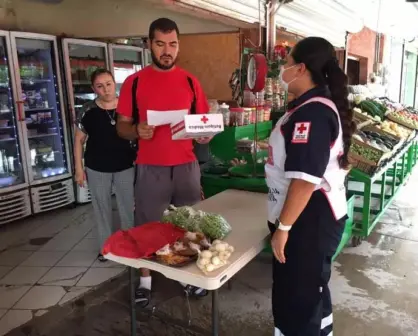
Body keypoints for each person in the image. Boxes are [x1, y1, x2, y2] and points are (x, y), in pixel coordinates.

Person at [116, 18, 211, 306]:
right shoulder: (134, 83)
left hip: (186, 166)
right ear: (149, 44)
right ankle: (145, 281)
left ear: (178, 45)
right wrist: (136, 131)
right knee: (147, 226)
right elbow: (122, 127)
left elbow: (202, 124)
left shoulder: (190, 81)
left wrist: (205, 136)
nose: (167, 51)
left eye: (172, 44)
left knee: (190, 225)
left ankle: (187, 277)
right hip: (150, 167)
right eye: (160, 44)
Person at [265, 36, 355, 336]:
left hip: (309, 220)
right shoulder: (311, 105)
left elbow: (305, 180)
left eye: (287, 63)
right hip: (314, 217)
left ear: (301, 68)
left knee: (298, 300)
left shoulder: (312, 114)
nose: (282, 69)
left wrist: (283, 229)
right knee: (312, 290)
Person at [74, 69, 136, 262]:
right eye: (100, 86)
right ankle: (106, 248)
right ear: (94, 89)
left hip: (125, 164)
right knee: (102, 209)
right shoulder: (87, 110)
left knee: (127, 207)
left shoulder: (128, 107)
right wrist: (78, 169)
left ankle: (128, 245)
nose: (106, 89)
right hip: (96, 166)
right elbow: (79, 140)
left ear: (114, 83)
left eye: (109, 84)